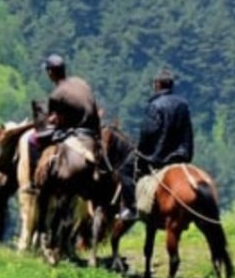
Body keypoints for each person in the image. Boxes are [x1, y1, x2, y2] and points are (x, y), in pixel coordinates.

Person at [117, 68, 194, 221]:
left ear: (157, 84)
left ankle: (132, 208)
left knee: (124, 170)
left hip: (158, 157)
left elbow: (148, 134)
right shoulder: (183, 104)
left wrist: (141, 152)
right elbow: (188, 132)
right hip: (182, 155)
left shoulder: (154, 105)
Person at [27, 53, 101, 186]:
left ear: (50, 73)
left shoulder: (56, 95)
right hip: (93, 132)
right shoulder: (80, 82)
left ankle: (34, 181)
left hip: (75, 133)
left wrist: (52, 119)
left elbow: (56, 122)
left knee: (32, 140)